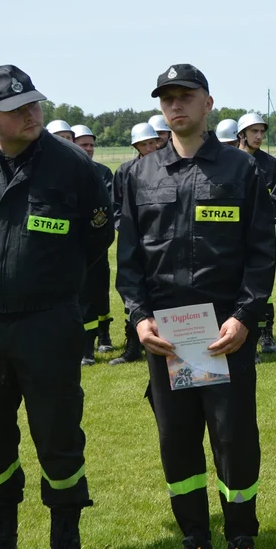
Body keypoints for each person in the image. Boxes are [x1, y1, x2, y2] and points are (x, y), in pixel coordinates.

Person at [0, 64, 114, 549]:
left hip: (48, 321)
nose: (33, 114)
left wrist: (45, 281)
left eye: (35, 104)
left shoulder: (72, 167)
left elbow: (95, 238)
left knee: (58, 432)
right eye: (18, 110)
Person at [117, 64, 276, 549]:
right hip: (165, 336)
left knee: (234, 439)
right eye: (167, 98)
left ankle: (241, 544)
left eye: (185, 96)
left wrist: (245, 317)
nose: (175, 106)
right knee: (177, 440)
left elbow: (260, 254)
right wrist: (140, 319)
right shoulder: (137, 174)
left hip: (224, 333)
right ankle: (195, 544)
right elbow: (130, 261)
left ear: (208, 104)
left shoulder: (239, 170)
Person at [107, 123, 163, 367]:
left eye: (153, 142)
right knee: (133, 290)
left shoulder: (166, 166)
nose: (150, 147)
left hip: (160, 240)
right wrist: (127, 229)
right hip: (134, 240)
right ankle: (132, 346)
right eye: (144, 144)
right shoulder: (126, 171)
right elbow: (117, 207)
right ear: (135, 147)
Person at [237, 112, 276, 359]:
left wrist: (256, 218)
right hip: (232, 237)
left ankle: (266, 335)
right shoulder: (230, 162)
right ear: (241, 134)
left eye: (262, 131)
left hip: (262, 234)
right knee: (236, 286)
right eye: (254, 131)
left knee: (262, 285)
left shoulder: (272, 165)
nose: (259, 136)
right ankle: (246, 342)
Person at [72, 124, 117, 360]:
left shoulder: (103, 172)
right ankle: (85, 345)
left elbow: (106, 208)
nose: (88, 149)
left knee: (100, 292)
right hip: (74, 247)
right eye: (83, 145)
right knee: (81, 296)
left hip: (98, 243)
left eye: (91, 145)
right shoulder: (65, 171)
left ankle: (105, 335)